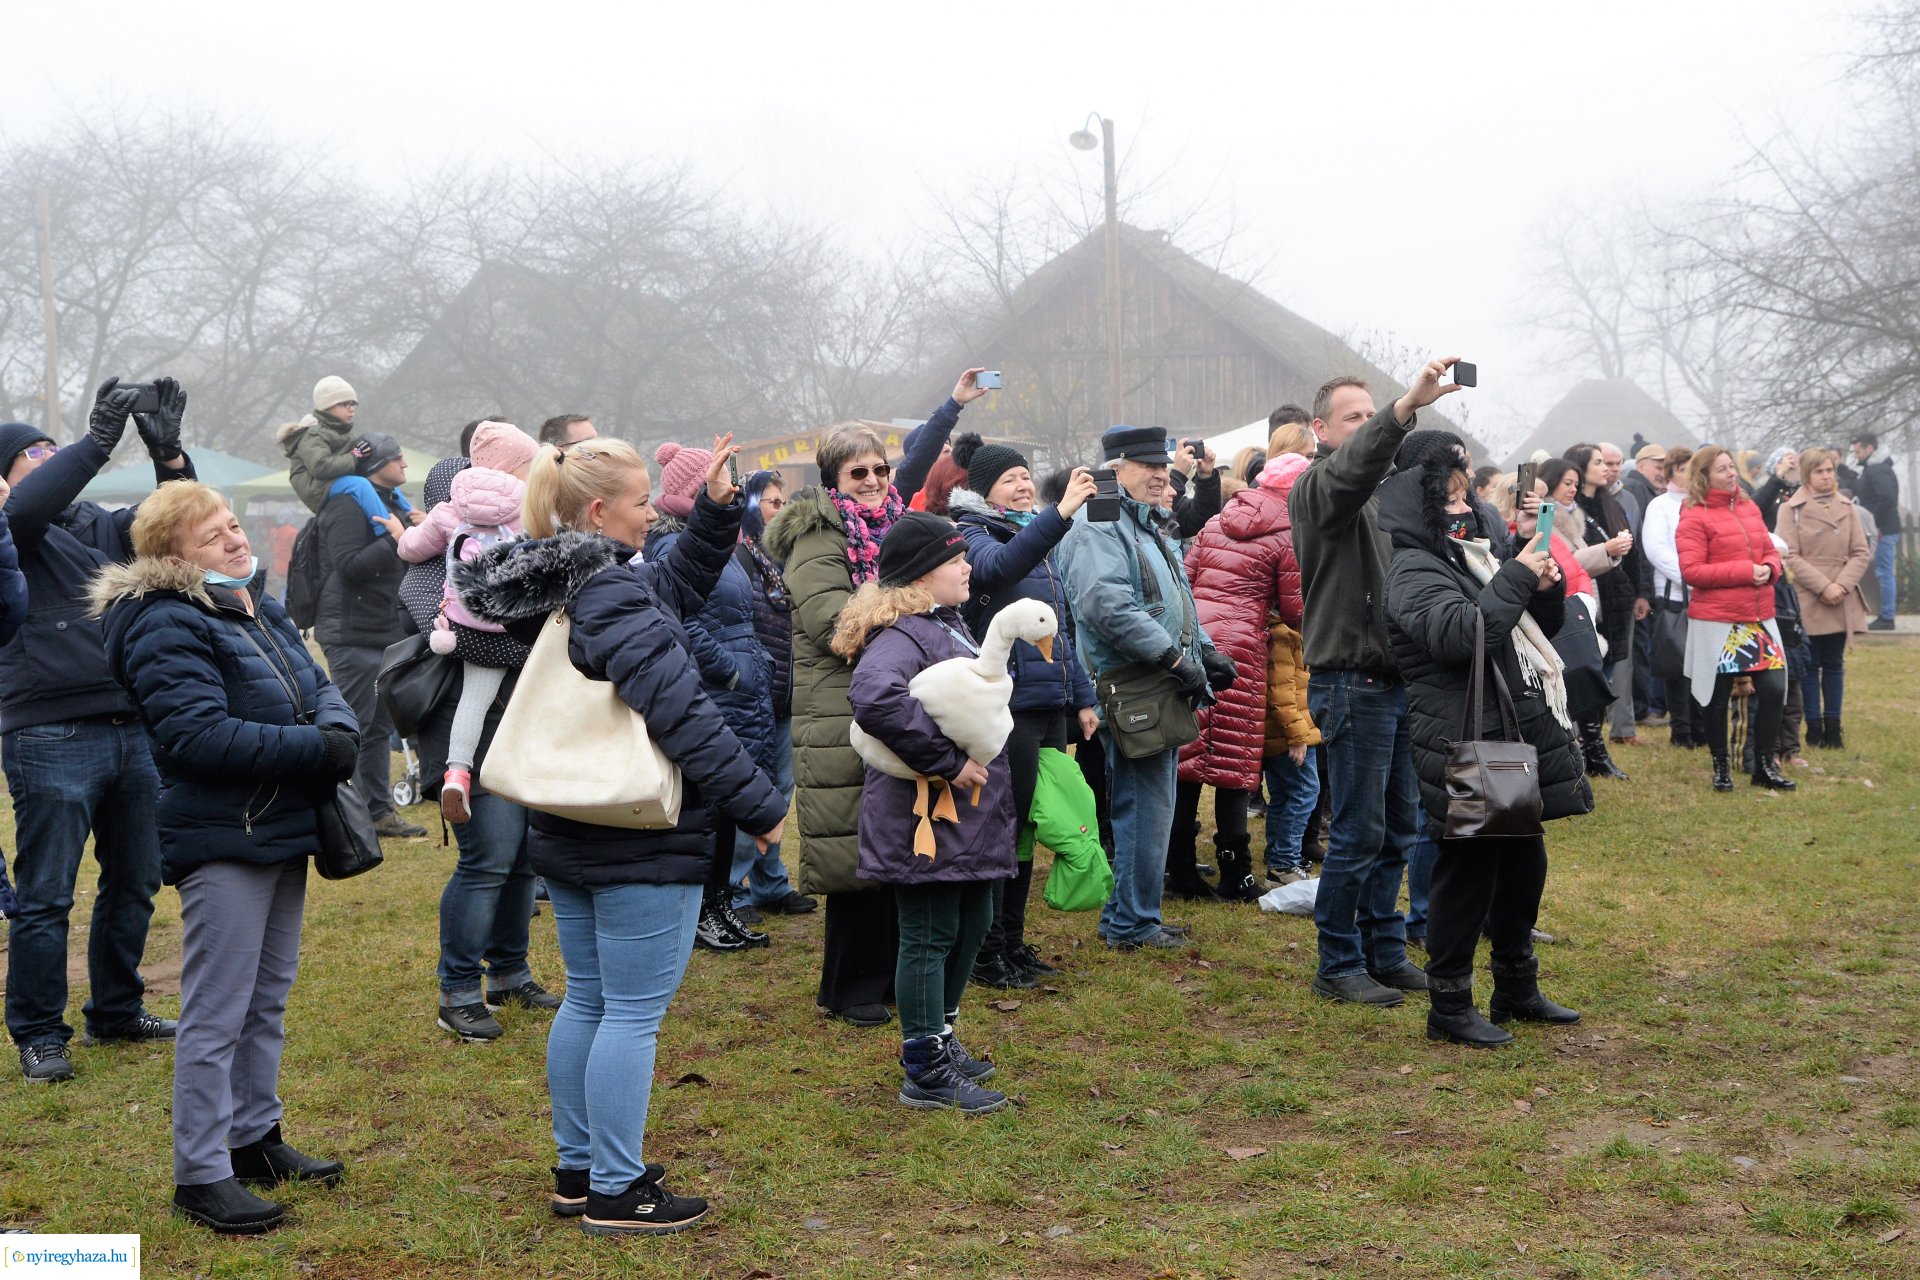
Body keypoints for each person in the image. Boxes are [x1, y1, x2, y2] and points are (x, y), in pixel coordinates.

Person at [456, 435, 785, 1236]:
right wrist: (758, 804)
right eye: (644, 503)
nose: (652, 515)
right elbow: (682, 712)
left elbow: (671, 585)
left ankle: (581, 1169)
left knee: (590, 1000)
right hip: (637, 832)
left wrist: (713, 510)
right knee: (632, 1013)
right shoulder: (613, 595)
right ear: (600, 512)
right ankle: (616, 1187)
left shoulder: (572, 581)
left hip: (575, 822)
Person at [93, 482, 356, 1234]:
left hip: (280, 825)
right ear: (175, 558)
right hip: (224, 835)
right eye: (213, 537)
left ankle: (253, 1138)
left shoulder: (252, 603)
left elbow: (319, 687)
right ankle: (201, 1175)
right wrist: (318, 749)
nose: (236, 541)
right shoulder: (162, 621)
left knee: (266, 996)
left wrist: (336, 731)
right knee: (217, 1012)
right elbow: (196, 735)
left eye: (234, 525)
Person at [762, 370, 990, 1026]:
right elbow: (831, 622)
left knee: (891, 842)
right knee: (852, 848)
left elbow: (915, 464)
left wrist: (951, 407)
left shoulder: (889, 521)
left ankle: (888, 974)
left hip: (887, 690)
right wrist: (912, 612)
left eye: (879, 470)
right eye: (857, 472)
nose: (872, 480)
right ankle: (850, 987)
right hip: (840, 704)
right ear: (833, 479)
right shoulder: (818, 535)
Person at [2, 379, 193, 1083]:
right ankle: (38, 1033)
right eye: (34, 452)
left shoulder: (99, 527)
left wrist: (169, 456)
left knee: (135, 881)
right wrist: (96, 442)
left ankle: (115, 1010)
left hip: (131, 724)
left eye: (54, 448)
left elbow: (174, 528)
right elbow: (26, 507)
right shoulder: (11, 530)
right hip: (48, 732)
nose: (49, 457)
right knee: (47, 893)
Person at [1377, 434, 1591, 1048]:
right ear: (1424, 501)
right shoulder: (1413, 568)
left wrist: (1541, 586)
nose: (1466, 504)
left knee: (1523, 863)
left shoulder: (1472, 555)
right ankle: (1448, 1004)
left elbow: (1523, 624)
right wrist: (1517, 574)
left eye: (1466, 492)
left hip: (1503, 729)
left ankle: (1515, 987)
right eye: (1451, 496)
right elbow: (1464, 635)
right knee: (1468, 872)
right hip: (1466, 731)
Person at [1288, 362, 1463, 1006]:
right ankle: (1337, 963)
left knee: (1397, 830)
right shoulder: (1316, 489)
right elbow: (1353, 468)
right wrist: (1402, 409)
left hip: (1396, 680)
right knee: (1358, 833)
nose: (1365, 425)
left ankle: (1384, 951)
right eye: (1353, 417)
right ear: (1321, 430)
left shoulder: (1387, 496)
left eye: (1370, 413)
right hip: (1350, 681)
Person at [834, 513, 1017, 1113]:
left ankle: (941, 1035)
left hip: (966, 817)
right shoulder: (901, 636)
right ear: (920, 574)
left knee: (974, 920)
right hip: (926, 818)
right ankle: (924, 1066)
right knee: (930, 932)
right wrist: (946, 762)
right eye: (954, 560)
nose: (967, 567)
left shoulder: (945, 623)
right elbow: (873, 698)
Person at [398, 422, 552, 1043]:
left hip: (515, 720)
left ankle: (509, 972)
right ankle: (457, 990)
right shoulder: (427, 572)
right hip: (462, 728)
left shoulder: (511, 537)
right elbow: (472, 640)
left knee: (521, 859)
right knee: (488, 858)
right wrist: (534, 642)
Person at [1058, 425, 1231, 952]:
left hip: (1155, 680)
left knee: (1150, 804)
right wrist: (1174, 657)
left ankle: (1130, 914)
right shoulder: (1099, 522)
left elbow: (1175, 596)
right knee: (1144, 806)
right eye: (1149, 466)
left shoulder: (1141, 519)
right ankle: (1134, 923)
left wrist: (1204, 651)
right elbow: (1106, 606)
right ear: (1116, 470)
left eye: (1163, 465)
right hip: (1134, 684)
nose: (1162, 475)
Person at [947, 436, 1100, 986]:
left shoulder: (1030, 531)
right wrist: (1060, 514)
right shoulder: (972, 533)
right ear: (983, 489)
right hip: (1006, 708)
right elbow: (999, 568)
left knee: (1033, 823)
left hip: (1048, 705)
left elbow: (1059, 626)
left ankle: (1013, 941)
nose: (1023, 485)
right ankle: (986, 953)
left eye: (1026, 475)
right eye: (1009, 478)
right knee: (1004, 828)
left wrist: (1081, 695)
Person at [644, 441, 782, 953]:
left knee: (726, 806)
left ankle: (721, 903)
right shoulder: (670, 546)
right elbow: (682, 621)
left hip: (742, 687)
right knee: (709, 806)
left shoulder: (722, 542)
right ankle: (704, 910)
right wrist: (731, 672)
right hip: (719, 689)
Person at [1170, 426, 1305, 904]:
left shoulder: (1214, 523)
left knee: (1187, 754)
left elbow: (1183, 581)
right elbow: (1296, 610)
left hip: (1198, 644)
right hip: (1244, 648)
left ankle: (1179, 866)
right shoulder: (1289, 534)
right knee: (1236, 759)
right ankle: (1236, 873)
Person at [395, 421, 540, 822]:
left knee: (472, 704)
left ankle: (457, 772)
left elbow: (410, 548)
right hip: (522, 621)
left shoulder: (450, 510)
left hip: (470, 625)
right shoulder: (531, 505)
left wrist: (411, 536)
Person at [311, 433, 425, 838]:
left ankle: (378, 813)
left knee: (377, 728)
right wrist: (395, 540)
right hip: (352, 634)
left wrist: (416, 533)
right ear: (377, 464)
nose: (405, 464)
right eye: (398, 458)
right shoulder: (346, 503)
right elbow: (348, 565)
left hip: (384, 631)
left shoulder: (394, 503)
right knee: (352, 727)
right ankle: (348, 818)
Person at [1677, 446, 1795, 792]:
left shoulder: (1748, 506)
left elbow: (1769, 550)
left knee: (1774, 688)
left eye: (1732, 466)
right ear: (1704, 477)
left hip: (1757, 617)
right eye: (1722, 469)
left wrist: (1770, 567)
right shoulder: (1693, 515)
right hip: (1718, 621)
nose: (1731, 473)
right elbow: (1692, 571)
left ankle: (1763, 765)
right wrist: (1746, 571)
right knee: (1717, 696)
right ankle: (1721, 767)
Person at [730, 470, 812, 918]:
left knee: (779, 792)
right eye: (773, 502)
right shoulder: (736, 556)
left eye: (784, 502)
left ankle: (770, 884)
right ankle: (733, 891)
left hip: (784, 695)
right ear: (749, 506)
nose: (782, 510)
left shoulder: (781, 557)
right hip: (750, 698)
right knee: (749, 793)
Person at [1253, 444, 1321, 887]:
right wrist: (1298, 734)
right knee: (1301, 791)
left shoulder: (1280, 628)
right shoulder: (1282, 632)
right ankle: (1283, 861)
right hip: (1285, 732)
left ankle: (1283, 857)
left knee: (1290, 793)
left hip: (1282, 729)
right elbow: (1281, 688)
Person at [1780, 448, 1872, 749]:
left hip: (1842, 595)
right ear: (1806, 475)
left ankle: (1834, 728)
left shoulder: (1848, 507)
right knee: (1810, 663)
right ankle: (1813, 727)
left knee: (1834, 663)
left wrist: (1841, 585)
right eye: (1819, 471)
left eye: (1830, 470)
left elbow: (1860, 552)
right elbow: (1789, 555)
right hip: (1808, 594)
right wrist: (1823, 586)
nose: (1826, 476)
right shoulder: (1790, 509)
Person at [1565, 444, 1642, 775]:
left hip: (1617, 597)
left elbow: (1634, 552)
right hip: (1590, 597)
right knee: (1589, 672)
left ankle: (1593, 748)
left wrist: (1639, 591)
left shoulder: (1610, 502)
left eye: (1611, 463)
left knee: (1608, 668)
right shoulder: (1571, 510)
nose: (1607, 468)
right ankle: (1587, 748)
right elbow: (1571, 559)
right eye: (1599, 462)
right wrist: (1608, 550)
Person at [278, 377, 416, 532]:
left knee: (383, 481)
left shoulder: (339, 430)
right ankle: (385, 529)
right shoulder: (315, 434)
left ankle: (412, 515)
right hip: (316, 486)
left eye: (353, 404)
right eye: (345, 404)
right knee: (361, 484)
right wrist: (354, 456)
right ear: (327, 406)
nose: (351, 409)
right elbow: (320, 466)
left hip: (331, 478)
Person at [1850, 432, 1901, 629]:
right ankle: (1886, 615)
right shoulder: (1875, 469)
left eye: (1858, 451)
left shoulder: (1877, 469)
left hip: (1883, 530)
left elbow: (1886, 497)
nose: (1856, 456)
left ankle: (1887, 617)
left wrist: (1874, 524)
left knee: (1884, 572)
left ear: (1869, 448)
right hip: (1883, 528)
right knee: (1883, 571)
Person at [1754, 448, 1800, 532]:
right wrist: (1779, 475)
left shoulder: (1802, 490)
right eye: (1780, 462)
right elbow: (1754, 509)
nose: (1789, 465)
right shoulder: (1766, 491)